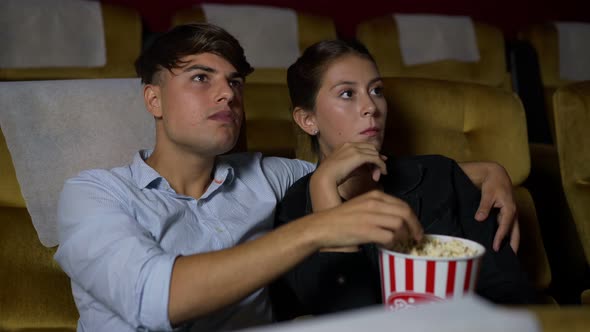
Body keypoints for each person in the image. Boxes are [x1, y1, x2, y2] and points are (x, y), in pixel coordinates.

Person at [54, 24, 520, 331]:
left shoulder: (265, 176)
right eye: (201, 78)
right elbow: (154, 299)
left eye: (234, 82)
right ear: (153, 100)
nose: (226, 94)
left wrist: (487, 171)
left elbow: (365, 172)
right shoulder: (93, 194)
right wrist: (318, 228)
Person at [271, 39, 535, 319]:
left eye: (376, 90)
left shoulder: (440, 175)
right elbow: (349, 320)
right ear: (307, 120)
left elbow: (510, 291)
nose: (371, 106)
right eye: (347, 94)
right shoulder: (294, 210)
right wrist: (324, 187)